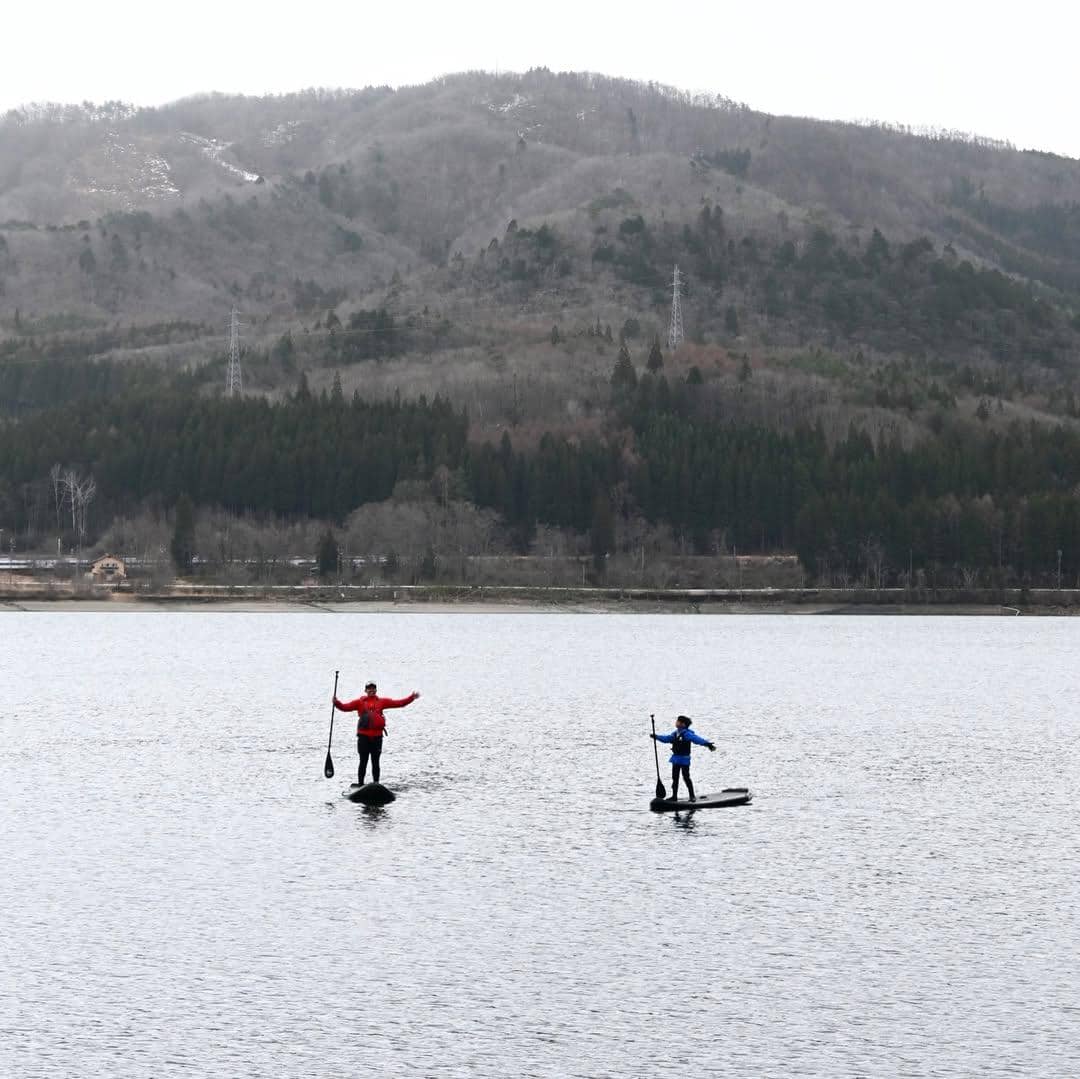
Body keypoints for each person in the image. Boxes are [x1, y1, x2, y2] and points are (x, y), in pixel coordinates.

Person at [333, 681, 420, 785]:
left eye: (373, 688)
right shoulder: (359, 702)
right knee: (363, 761)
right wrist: (336, 703)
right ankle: (361, 784)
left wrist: (411, 697)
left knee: (376, 762)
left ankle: (376, 783)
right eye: (369, 688)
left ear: (376, 690)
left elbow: (399, 703)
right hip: (363, 737)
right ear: (365, 690)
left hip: (377, 737)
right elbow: (345, 707)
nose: (371, 690)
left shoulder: (382, 702)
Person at [650, 714, 716, 802]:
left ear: (683, 724)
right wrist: (656, 737)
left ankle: (692, 796)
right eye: (677, 721)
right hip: (676, 759)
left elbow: (696, 739)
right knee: (675, 778)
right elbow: (667, 739)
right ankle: (674, 796)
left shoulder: (687, 734)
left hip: (684, 759)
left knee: (686, 777)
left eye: (678, 721)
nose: (676, 722)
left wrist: (707, 744)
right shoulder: (675, 733)